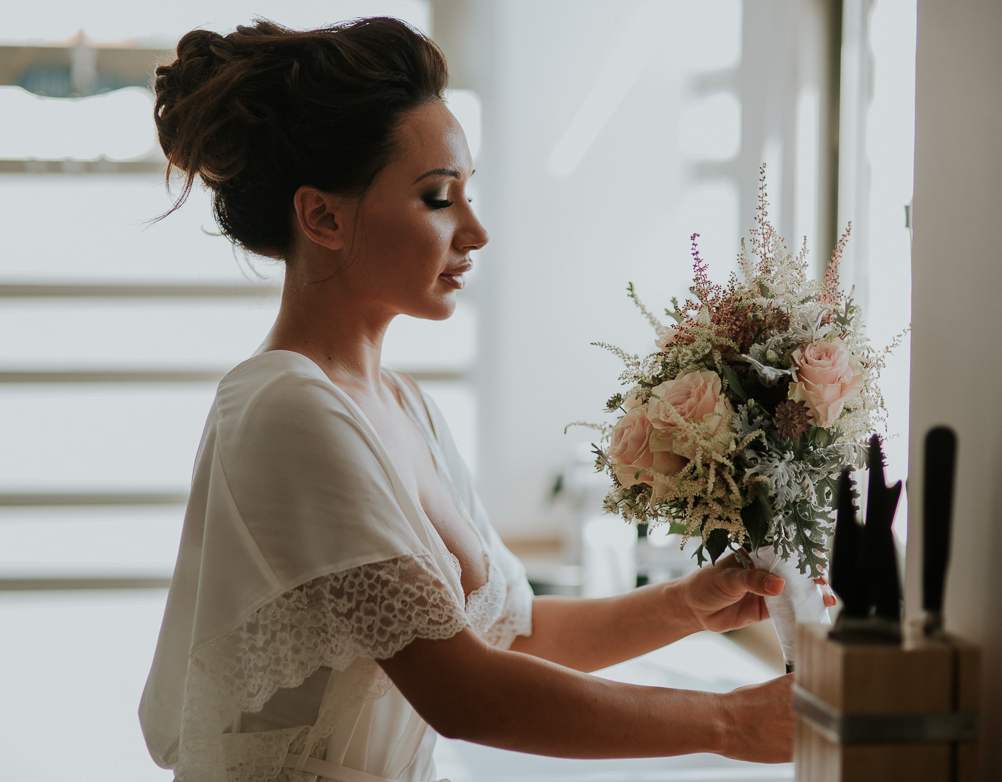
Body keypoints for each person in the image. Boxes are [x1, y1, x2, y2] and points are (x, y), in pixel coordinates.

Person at [139, 17, 799, 782]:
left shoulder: (404, 406)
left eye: (467, 195)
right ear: (322, 216)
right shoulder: (286, 407)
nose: (475, 231)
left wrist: (689, 602)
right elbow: (466, 695)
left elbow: (509, 637)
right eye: (436, 198)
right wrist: (729, 723)